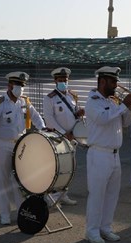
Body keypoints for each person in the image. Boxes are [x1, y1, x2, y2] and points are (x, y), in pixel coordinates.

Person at [0, 72, 46, 225]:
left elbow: (35, 116)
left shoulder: (24, 102)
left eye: (22, 86)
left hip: (20, 144)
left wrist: (43, 128)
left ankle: (21, 212)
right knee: (2, 181)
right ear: (9, 86)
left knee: (20, 180)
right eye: (18, 85)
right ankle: (4, 215)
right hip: (2, 145)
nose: (20, 89)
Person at [85, 66, 131, 243]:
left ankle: (105, 228)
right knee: (97, 195)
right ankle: (92, 231)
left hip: (115, 155)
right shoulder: (92, 101)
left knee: (112, 195)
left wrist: (130, 109)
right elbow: (102, 119)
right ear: (102, 81)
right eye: (113, 81)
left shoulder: (114, 102)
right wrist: (123, 105)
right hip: (99, 153)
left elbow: (125, 123)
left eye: (116, 81)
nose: (116, 85)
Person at [43, 67, 85, 205]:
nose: (63, 82)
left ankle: (63, 195)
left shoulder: (72, 96)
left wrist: (79, 116)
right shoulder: (49, 98)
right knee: (57, 168)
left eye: (65, 80)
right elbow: (49, 119)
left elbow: (75, 115)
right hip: (58, 137)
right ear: (55, 81)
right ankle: (51, 198)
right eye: (60, 80)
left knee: (69, 168)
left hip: (72, 137)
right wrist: (63, 133)